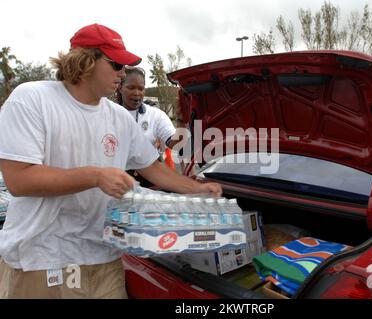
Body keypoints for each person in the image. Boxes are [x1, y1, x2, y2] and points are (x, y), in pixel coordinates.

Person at [0, 23, 221, 299]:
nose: (123, 73)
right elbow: (20, 180)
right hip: (43, 258)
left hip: (105, 258)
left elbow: (152, 167)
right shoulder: (32, 99)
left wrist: (197, 189)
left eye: (125, 67)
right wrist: (96, 176)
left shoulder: (118, 117)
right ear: (84, 61)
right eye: (116, 64)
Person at [115, 66, 181, 186]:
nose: (137, 93)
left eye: (141, 88)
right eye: (131, 88)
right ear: (120, 87)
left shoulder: (155, 115)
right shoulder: (109, 113)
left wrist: (182, 122)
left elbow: (175, 143)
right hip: (117, 180)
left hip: (151, 180)